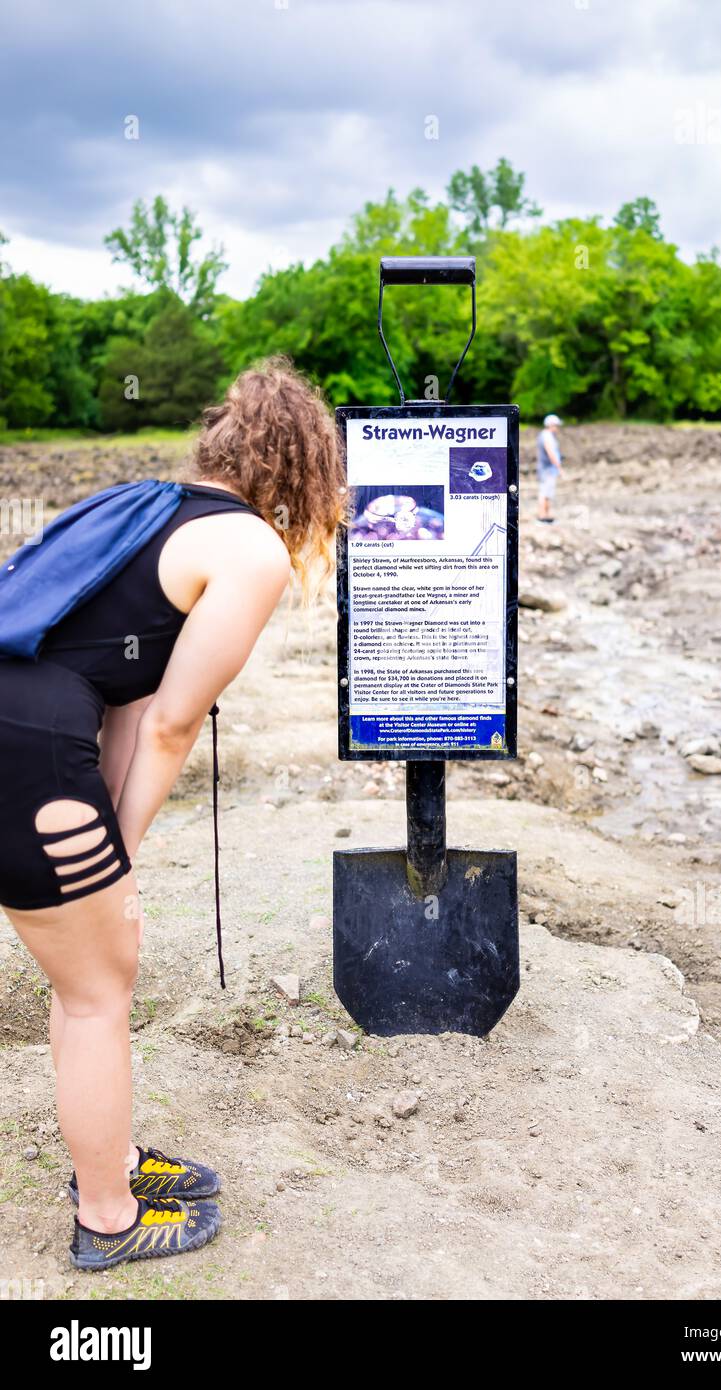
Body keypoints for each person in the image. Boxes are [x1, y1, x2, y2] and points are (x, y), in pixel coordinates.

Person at [0, 357, 344, 1270]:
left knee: (89, 980)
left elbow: (114, 694)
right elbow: (170, 724)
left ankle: (108, 1160)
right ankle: (109, 1218)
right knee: (97, 990)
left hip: (24, 735)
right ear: (300, 469)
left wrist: (111, 856)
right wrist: (119, 857)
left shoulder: (138, 507)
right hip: (24, 752)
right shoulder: (250, 548)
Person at [536, 413, 564, 523]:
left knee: (548, 492)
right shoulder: (546, 436)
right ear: (551, 425)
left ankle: (546, 516)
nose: (557, 428)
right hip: (546, 469)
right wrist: (559, 467)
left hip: (548, 469)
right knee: (544, 493)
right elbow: (550, 452)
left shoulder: (548, 435)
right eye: (556, 425)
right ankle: (542, 517)